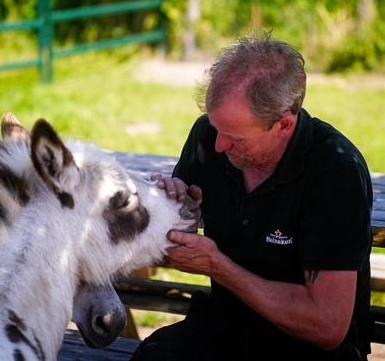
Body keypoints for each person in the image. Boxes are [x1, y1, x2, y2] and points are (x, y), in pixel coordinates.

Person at [131, 32, 373, 361]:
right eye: (216, 128)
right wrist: (167, 207)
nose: (219, 145)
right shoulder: (208, 137)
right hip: (227, 325)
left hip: (308, 347)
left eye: (235, 138)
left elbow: (327, 327)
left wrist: (218, 266)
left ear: (284, 125)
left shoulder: (335, 169)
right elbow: (169, 246)